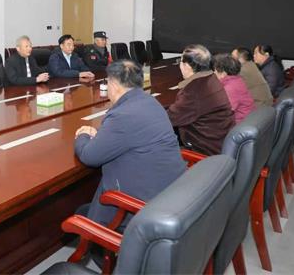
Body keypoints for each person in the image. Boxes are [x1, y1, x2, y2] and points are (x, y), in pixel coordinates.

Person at [74, 60, 186, 227]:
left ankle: (94, 241)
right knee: (85, 209)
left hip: (141, 209)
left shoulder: (122, 115)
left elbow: (89, 156)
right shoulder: (150, 102)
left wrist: (83, 135)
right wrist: (101, 135)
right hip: (168, 195)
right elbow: (129, 136)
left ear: (114, 84)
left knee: (80, 214)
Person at [167, 44, 235, 155]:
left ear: (187, 66)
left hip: (205, 152)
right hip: (220, 144)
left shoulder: (193, 91)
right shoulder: (211, 79)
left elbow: (169, 119)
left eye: (180, 61)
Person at [213, 53, 256, 123]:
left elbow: (225, 113)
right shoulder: (237, 80)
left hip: (240, 123)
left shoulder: (230, 88)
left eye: (216, 70)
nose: (214, 73)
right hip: (247, 119)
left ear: (223, 73)